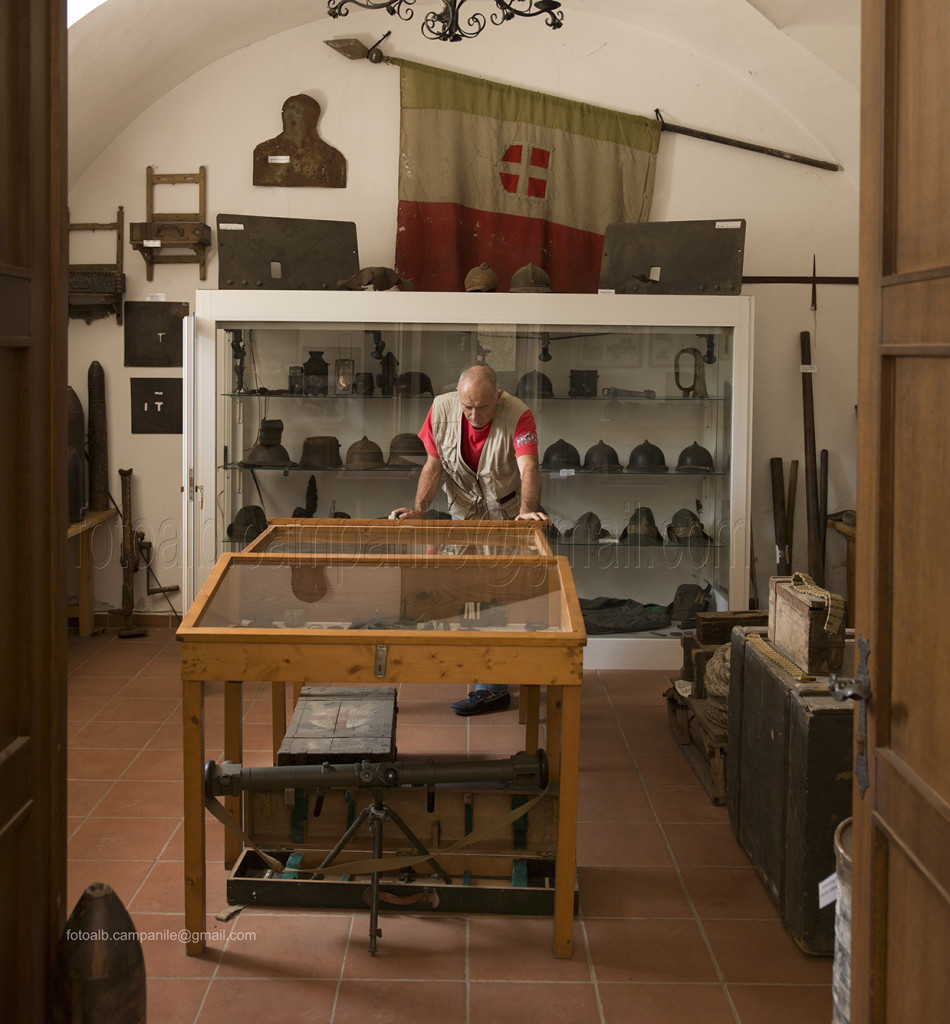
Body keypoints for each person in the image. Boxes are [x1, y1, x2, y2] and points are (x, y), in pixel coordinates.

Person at [389, 364, 547, 716]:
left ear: (499, 397)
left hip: (506, 518)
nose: (474, 415)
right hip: (462, 516)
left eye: (484, 407)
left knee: (500, 596)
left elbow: (529, 467)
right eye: (467, 407)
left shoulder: (520, 415)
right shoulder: (441, 409)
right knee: (464, 595)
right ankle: (481, 674)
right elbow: (433, 465)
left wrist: (526, 513)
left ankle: (493, 686)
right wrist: (418, 511)